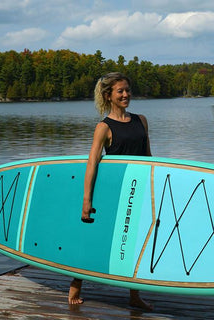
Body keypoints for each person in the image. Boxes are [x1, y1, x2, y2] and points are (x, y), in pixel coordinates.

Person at [68, 72, 153, 311]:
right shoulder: (104, 127)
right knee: (97, 238)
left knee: (135, 242)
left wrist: (154, 187)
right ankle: (76, 283)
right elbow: (92, 163)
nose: (126, 95)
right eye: (120, 91)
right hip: (114, 192)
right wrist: (87, 200)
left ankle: (134, 295)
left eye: (127, 90)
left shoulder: (141, 120)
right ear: (109, 96)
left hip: (138, 190)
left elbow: (148, 157)